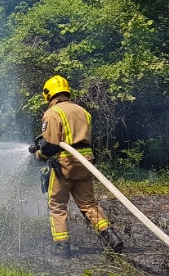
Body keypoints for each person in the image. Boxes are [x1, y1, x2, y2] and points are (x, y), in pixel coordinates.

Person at [28, 75, 123, 259]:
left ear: (48, 94)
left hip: (66, 162)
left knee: (57, 204)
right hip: (86, 161)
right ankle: (111, 237)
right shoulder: (82, 111)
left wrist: (39, 155)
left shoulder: (53, 112)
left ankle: (61, 247)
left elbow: (50, 145)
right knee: (88, 203)